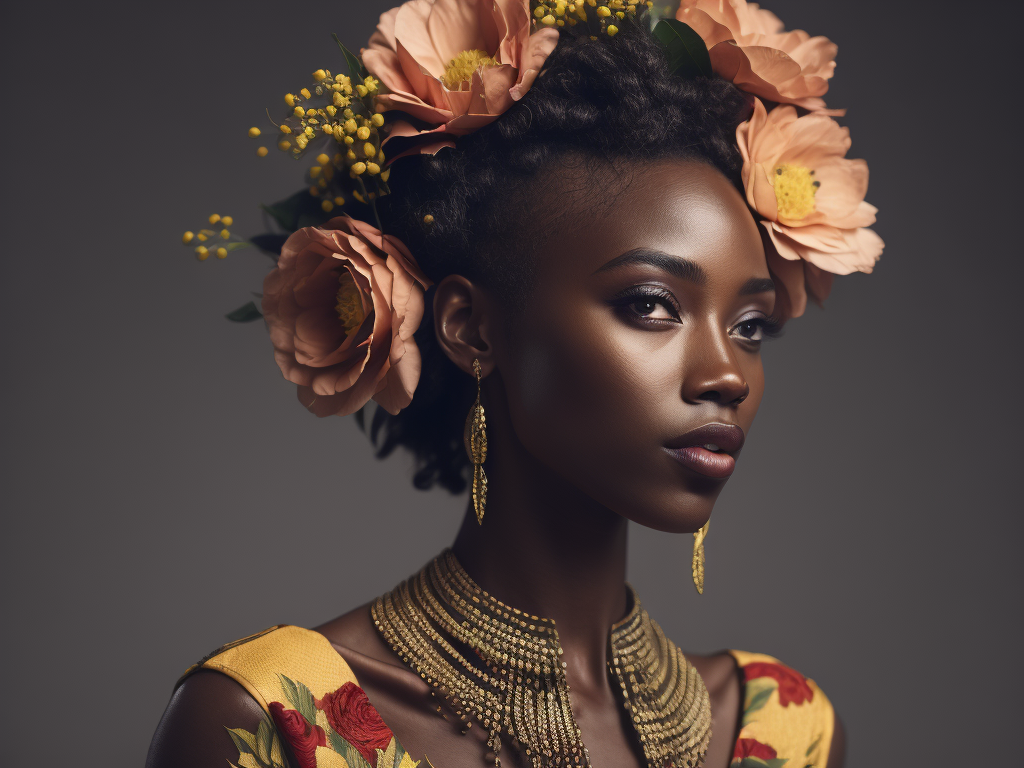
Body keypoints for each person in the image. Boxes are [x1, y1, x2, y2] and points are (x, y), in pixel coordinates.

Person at [151, 1, 881, 766]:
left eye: (750, 326)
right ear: (471, 328)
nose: (727, 374)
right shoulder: (275, 719)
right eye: (651, 306)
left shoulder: (789, 730)